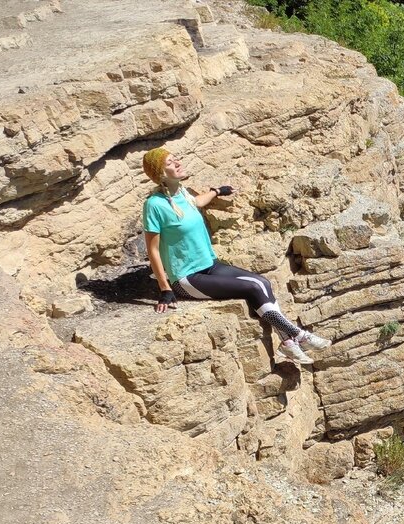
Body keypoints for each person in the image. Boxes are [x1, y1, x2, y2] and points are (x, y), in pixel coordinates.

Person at [141, 147, 329, 366]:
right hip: (186, 279)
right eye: (171, 163)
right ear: (161, 174)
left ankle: (288, 341)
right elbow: (152, 250)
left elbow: (197, 203)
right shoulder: (154, 205)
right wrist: (165, 290)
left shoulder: (181, 193)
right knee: (251, 288)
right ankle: (297, 335)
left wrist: (217, 191)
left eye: (176, 159)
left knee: (262, 282)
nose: (178, 163)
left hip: (209, 265)